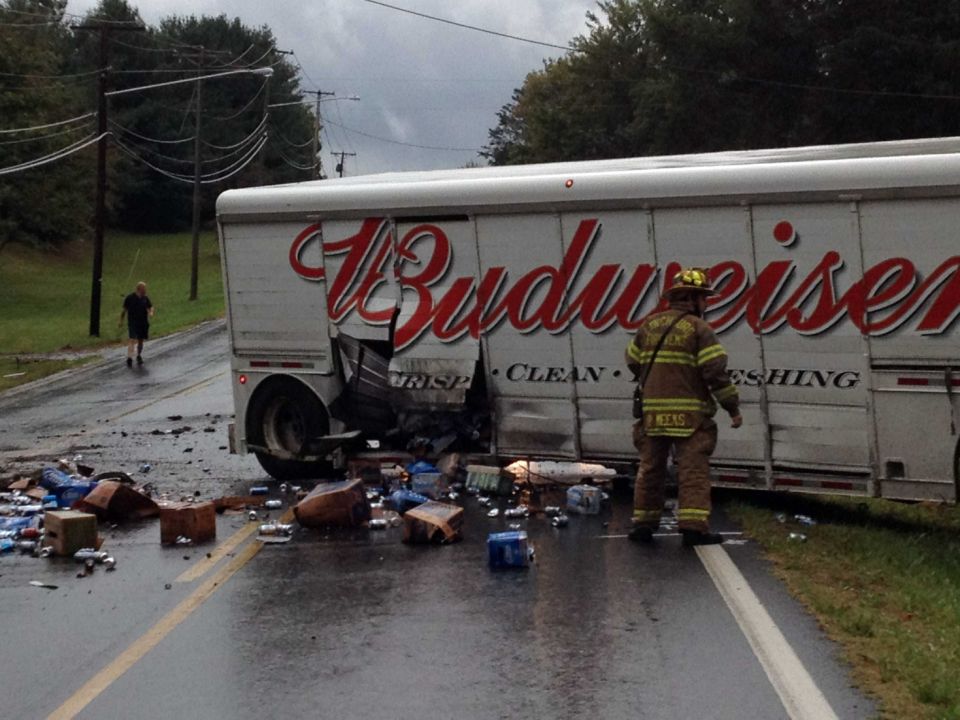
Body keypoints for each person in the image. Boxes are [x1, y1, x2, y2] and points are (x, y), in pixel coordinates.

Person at [625, 268, 742, 546]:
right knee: (693, 473)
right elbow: (715, 373)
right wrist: (732, 409)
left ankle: (643, 524)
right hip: (691, 419)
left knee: (650, 470)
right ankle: (693, 528)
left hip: (652, 417)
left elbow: (632, 361)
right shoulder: (700, 329)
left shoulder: (649, 326)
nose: (706, 304)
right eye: (704, 298)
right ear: (692, 299)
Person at [120, 281, 154, 368]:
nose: (145, 291)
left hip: (143, 322)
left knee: (140, 340)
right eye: (144, 289)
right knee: (132, 339)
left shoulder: (145, 298)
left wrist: (151, 312)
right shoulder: (130, 298)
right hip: (133, 322)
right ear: (139, 289)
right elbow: (124, 310)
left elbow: (150, 307)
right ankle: (129, 357)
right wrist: (121, 321)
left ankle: (138, 355)